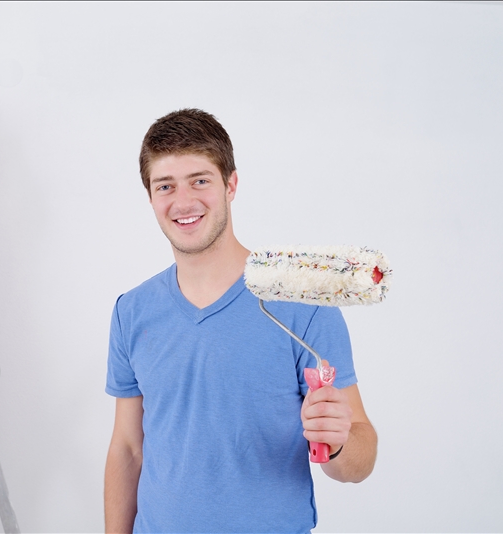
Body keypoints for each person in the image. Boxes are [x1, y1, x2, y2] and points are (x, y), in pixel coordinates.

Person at [104, 109, 377, 533]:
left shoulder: (301, 305)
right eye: (165, 186)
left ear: (231, 184)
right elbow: (127, 448)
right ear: (151, 197)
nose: (183, 201)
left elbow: (359, 461)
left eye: (200, 180)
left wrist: (339, 442)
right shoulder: (131, 310)